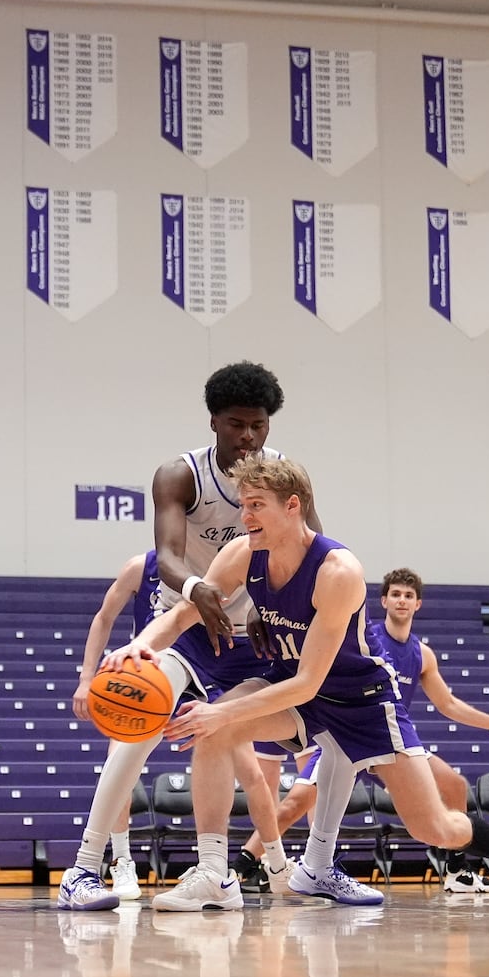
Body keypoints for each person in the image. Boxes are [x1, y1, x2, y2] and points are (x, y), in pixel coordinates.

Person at [106, 456, 489, 910]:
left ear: (292, 505)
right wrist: (143, 646)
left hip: (361, 699)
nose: (243, 515)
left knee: (433, 826)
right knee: (211, 726)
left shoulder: (338, 570)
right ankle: (214, 874)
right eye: (242, 503)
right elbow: (186, 612)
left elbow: (311, 681)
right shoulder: (242, 552)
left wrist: (222, 709)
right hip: (294, 686)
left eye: (255, 505)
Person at [57, 361, 315, 911]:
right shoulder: (180, 475)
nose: (248, 435)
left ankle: (294, 867)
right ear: (214, 422)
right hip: (190, 619)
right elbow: (169, 556)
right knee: (134, 729)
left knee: (261, 753)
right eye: (236, 424)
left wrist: (274, 605)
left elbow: (307, 549)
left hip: (262, 632)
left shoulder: (285, 478)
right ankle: (82, 870)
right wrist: (199, 590)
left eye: (259, 425)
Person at [236, 567, 489, 894]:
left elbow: (447, 704)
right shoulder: (366, 638)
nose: (402, 600)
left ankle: (454, 867)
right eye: (396, 594)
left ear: (418, 604)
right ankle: (243, 862)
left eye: (408, 595)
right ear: (384, 600)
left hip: (388, 740)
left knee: (453, 784)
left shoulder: (422, 655)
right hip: (346, 733)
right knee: (294, 804)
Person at [73, 547, 164, 900]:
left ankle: (264, 863)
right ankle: (122, 860)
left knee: (240, 759)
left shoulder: (215, 561)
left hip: (201, 668)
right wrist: (86, 678)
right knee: (119, 763)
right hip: (149, 673)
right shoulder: (141, 567)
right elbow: (103, 616)